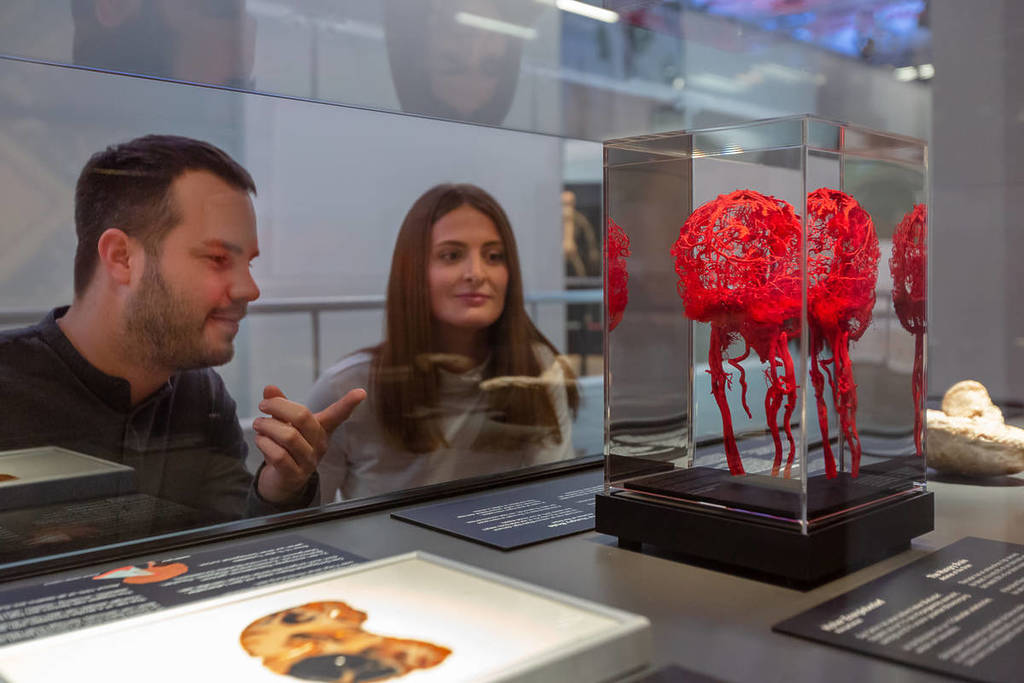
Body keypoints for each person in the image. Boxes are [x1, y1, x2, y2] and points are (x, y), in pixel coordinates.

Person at [0, 135, 364, 522]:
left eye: (248, 264)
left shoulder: (201, 395)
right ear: (122, 258)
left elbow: (228, 547)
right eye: (218, 258)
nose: (250, 289)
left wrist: (280, 489)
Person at [308, 183, 579, 503]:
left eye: (494, 256)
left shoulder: (538, 369)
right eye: (451, 255)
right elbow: (304, 530)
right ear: (413, 271)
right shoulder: (347, 389)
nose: (476, 273)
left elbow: (556, 505)